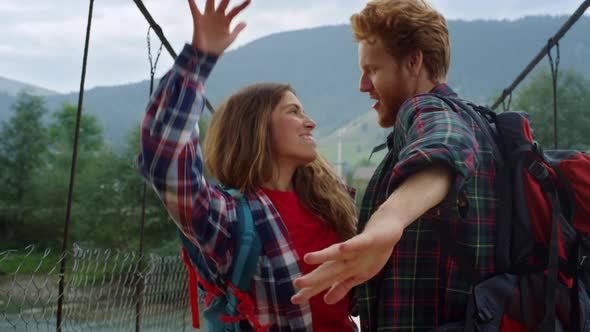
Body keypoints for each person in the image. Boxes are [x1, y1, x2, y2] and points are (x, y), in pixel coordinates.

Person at [136, 0, 358, 330]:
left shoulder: (334, 202)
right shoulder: (231, 221)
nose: (310, 122)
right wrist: (199, 57)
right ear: (254, 129)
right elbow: (165, 159)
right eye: (293, 111)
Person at [292, 0, 499, 330]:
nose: (363, 85)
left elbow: (446, 141)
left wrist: (388, 219)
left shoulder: (429, 111)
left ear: (414, 62)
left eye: (372, 70)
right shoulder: (478, 123)